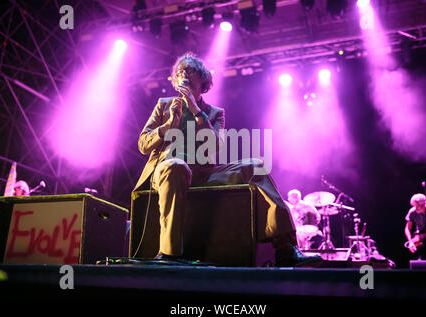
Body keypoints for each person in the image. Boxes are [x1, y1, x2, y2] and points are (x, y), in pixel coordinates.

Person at [133, 52, 321, 267]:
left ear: (202, 82)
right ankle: (170, 254)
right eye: (180, 73)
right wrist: (167, 127)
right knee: (177, 166)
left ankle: (286, 248)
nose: (183, 75)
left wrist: (195, 111)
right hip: (168, 171)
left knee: (255, 166)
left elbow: (215, 147)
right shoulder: (164, 105)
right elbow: (143, 144)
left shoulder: (214, 113)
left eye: (189, 72)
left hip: (202, 174)